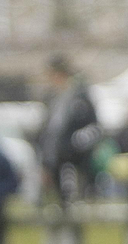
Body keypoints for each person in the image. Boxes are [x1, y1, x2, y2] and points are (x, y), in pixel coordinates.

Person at [39, 54, 98, 203]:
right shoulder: (51, 99)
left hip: (74, 160)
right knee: (58, 199)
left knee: (73, 197)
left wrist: (76, 145)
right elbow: (47, 132)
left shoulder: (79, 98)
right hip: (55, 159)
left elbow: (94, 127)